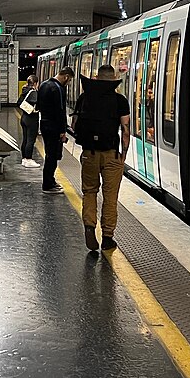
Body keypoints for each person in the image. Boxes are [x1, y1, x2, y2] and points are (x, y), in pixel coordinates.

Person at [73, 64, 131, 251]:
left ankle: (90, 227)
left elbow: (74, 125)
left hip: (89, 154)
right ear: (114, 79)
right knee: (110, 196)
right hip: (111, 154)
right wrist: (123, 154)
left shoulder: (84, 98)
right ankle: (107, 237)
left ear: (96, 78)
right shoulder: (120, 100)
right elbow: (125, 130)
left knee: (89, 192)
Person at [36, 66, 74, 194]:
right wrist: (62, 131)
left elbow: (39, 105)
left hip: (44, 123)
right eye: (69, 81)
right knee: (52, 155)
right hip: (54, 126)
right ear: (66, 77)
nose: (68, 84)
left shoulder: (43, 84)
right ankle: (48, 184)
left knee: (49, 154)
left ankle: (50, 181)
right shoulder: (58, 88)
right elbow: (60, 111)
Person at [16, 75, 41, 168]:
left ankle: (24, 159)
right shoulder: (33, 92)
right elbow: (37, 103)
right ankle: (29, 159)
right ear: (35, 83)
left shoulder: (24, 90)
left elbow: (19, 102)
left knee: (25, 139)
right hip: (32, 119)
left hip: (24, 117)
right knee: (31, 140)